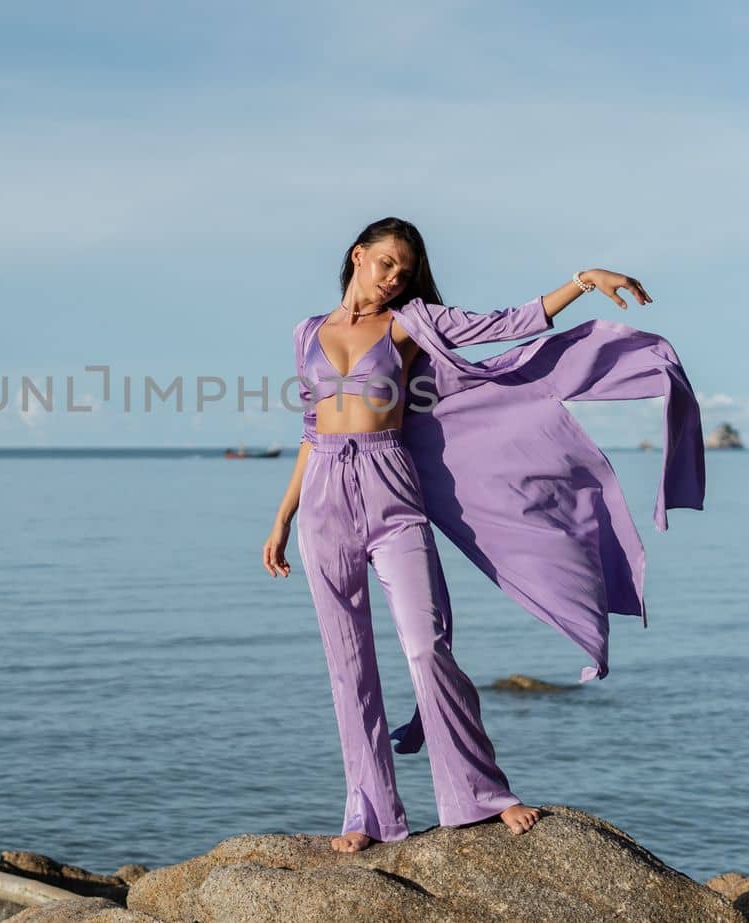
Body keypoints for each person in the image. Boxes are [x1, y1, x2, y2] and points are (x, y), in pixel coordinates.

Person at [261, 217, 655, 854]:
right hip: (324, 502)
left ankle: (480, 794)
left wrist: (582, 281)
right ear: (358, 256)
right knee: (347, 665)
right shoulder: (308, 332)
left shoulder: (409, 323)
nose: (394, 277)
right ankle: (368, 815)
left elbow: (509, 322)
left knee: (426, 646)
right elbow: (312, 429)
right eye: (386, 263)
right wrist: (282, 517)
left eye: (405, 270)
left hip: (391, 488)